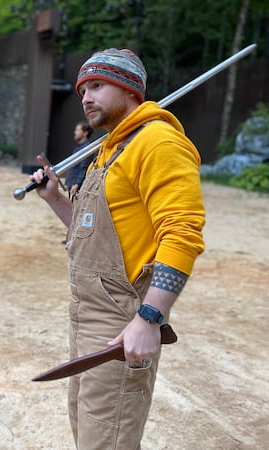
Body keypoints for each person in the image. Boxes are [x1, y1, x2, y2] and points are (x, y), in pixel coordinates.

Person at [29, 48, 205, 449]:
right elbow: (92, 235)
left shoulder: (158, 142)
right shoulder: (108, 151)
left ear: (129, 90)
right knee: (90, 429)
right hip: (86, 315)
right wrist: (55, 199)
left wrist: (149, 317)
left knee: (107, 438)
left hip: (120, 321)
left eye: (96, 86)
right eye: (82, 91)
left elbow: (183, 233)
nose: (86, 97)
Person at [64, 121, 94, 200]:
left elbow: (84, 168)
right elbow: (73, 167)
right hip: (72, 185)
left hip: (77, 187)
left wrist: (77, 183)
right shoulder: (78, 148)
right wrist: (68, 182)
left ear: (85, 133)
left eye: (77, 130)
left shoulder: (87, 149)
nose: (75, 132)